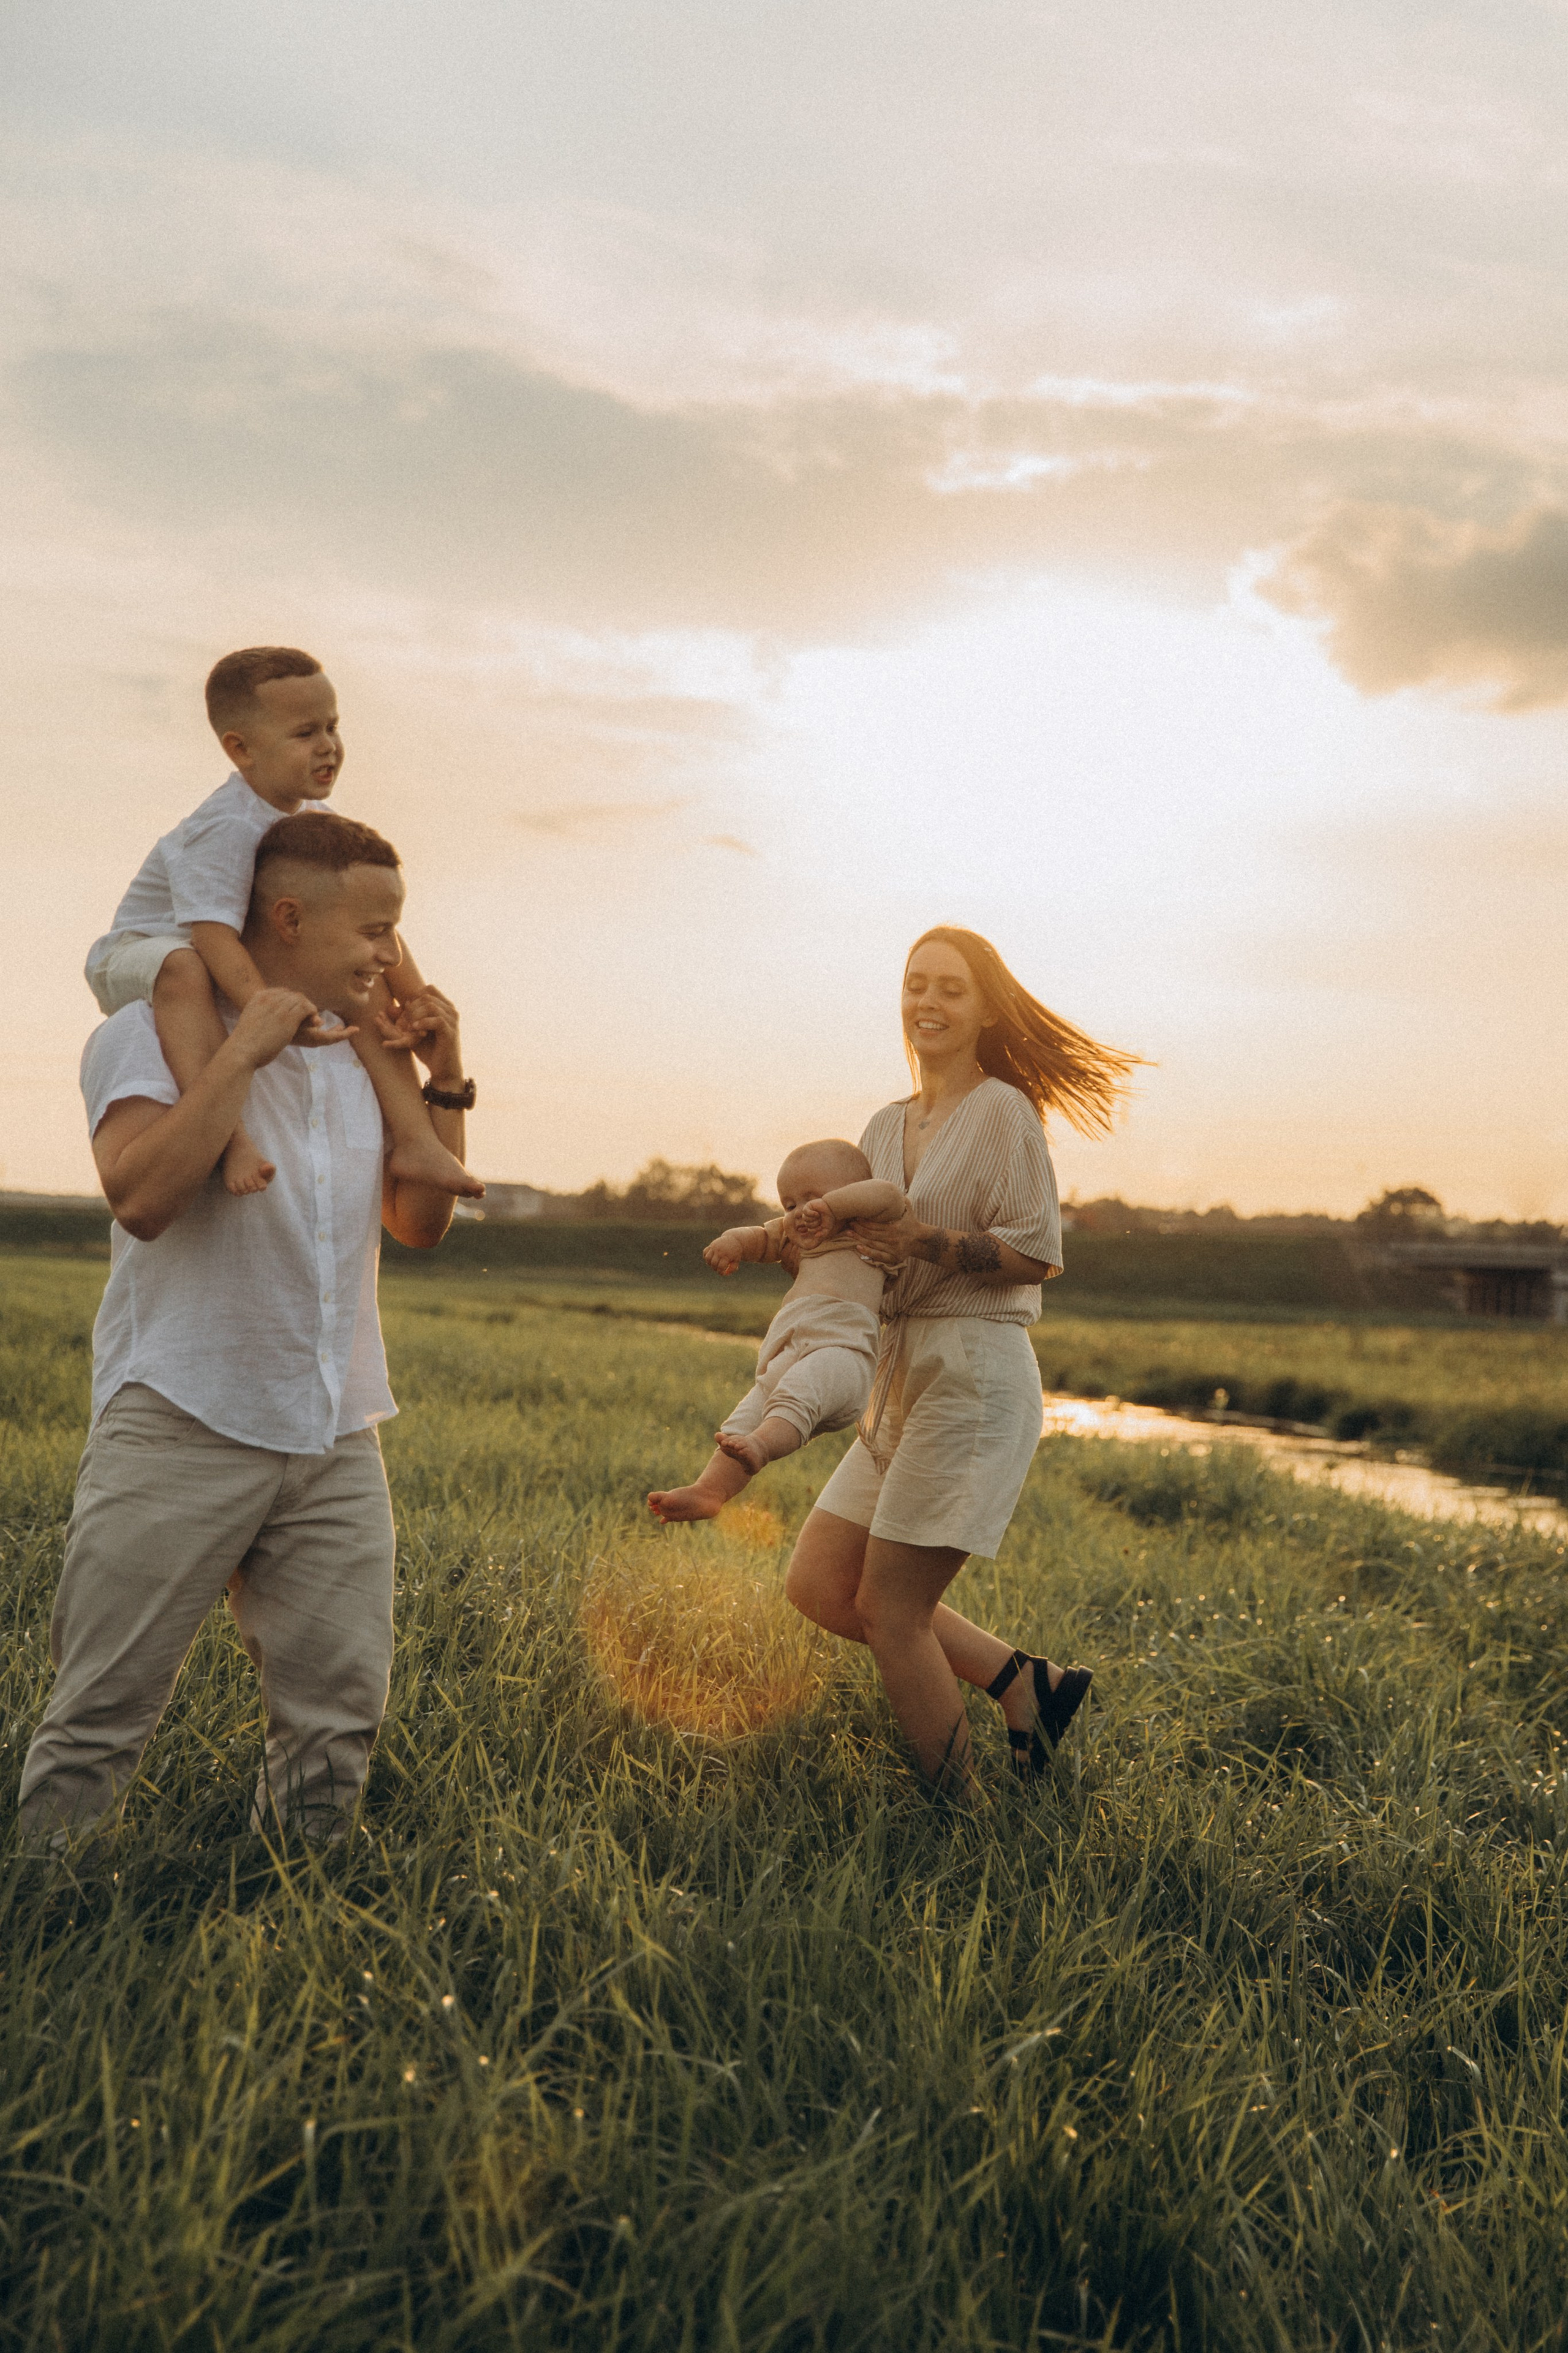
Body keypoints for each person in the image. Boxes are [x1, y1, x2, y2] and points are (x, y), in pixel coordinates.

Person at [19, 812, 476, 1845]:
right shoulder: (142, 1034)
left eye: (394, 931)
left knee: (336, 1720)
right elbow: (140, 1196)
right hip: (181, 1418)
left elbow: (420, 1224)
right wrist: (245, 1055)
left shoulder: (372, 1057)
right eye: (372, 931)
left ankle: (296, 1908)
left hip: (335, 1429)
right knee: (101, 1714)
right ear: (286, 916)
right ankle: (45, 1915)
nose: (389, 955)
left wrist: (447, 1078)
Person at [783, 927, 1140, 1797]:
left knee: (891, 1609)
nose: (928, 1004)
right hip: (897, 1375)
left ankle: (958, 1820)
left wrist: (924, 1240)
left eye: (950, 988)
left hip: (974, 1372)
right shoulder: (882, 1122)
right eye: (916, 985)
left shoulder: (1004, 1110)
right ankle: (1028, 1686)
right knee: (821, 1583)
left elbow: (1038, 1253)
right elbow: (869, 1254)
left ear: (984, 1009)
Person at [84, 644, 481, 1203]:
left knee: (357, 979)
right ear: (240, 748)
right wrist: (268, 1011)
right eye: (305, 734)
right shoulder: (221, 829)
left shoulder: (314, 818)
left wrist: (413, 1005)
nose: (329, 746)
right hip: (143, 950)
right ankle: (233, 1141)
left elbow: (371, 922)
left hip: (204, 947)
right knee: (184, 969)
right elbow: (213, 938)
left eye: (333, 726)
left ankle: (417, 1140)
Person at [647, 1140, 906, 1523]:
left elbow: (888, 1195)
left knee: (795, 1394)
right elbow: (763, 1238)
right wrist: (732, 1243)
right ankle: (711, 1490)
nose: (802, 1212)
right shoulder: (797, 1233)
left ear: (854, 1192)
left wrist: (834, 1209)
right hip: (789, 1352)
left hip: (843, 1355)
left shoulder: (872, 1228)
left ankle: (763, 1448)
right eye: (790, 1204)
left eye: (813, 1198)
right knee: (745, 1419)